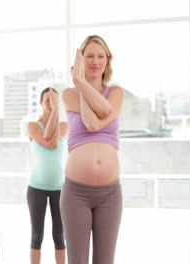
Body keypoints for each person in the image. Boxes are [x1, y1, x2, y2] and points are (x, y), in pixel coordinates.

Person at [60, 35, 125, 264]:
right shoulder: (69, 94)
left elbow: (97, 122)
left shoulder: (116, 93)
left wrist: (81, 81)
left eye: (100, 56)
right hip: (76, 193)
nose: (95, 61)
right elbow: (89, 121)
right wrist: (80, 84)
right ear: (81, 60)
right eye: (89, 56)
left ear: (107, 60)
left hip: (110, 194)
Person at [27, 87, 68, 264]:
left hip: (60, 189)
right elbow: (50, 143)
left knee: (59, 236)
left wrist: (57, 112)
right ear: (41, 103)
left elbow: (53, 141)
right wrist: (56, 112)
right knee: (37, 236)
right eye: (47, 100)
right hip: (36, 189)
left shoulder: (64, 125)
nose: (51, 104)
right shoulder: (32, 126)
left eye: (54, 101)